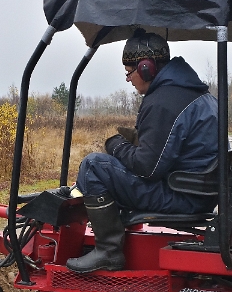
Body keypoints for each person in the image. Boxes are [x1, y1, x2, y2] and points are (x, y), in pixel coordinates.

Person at [66, 29, 218, 274]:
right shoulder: (197, 95)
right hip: (198, 192)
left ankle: (108, 252)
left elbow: (148, 168)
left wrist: (116, 145)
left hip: (181, 196)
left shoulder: (163, 101)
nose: (128, 79)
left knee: (94, 165)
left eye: (129, 72)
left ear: (146, 67)